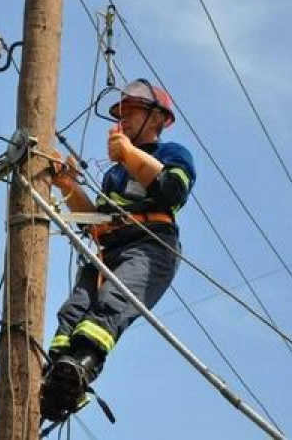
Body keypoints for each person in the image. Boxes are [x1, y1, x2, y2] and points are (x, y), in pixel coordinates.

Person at [40, 79, 197, 421]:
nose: (123, 119)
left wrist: (128, 153)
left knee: (111, 303)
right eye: (121, 113)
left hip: (151, 245)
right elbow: (94, 223)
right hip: (110, 249)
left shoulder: (172, 154)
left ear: (158, 119)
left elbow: (172, 190)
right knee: (73, 311)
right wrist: (67, 185)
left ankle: (82, 367)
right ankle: (56, 380)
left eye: (132, 111)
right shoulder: (114, 174)